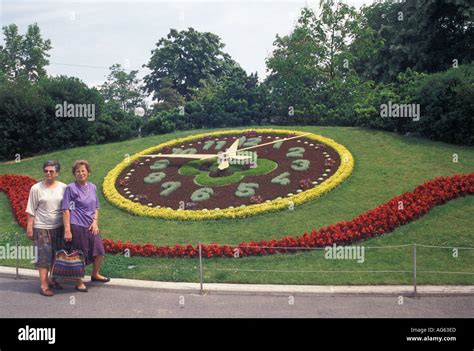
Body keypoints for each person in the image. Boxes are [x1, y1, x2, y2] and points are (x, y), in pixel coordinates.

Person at [62, 160, 109, 293]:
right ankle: (78, 281)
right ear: (74, 174)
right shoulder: (70, 188)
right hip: (77, 225)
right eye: (78, 171)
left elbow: (96, 207)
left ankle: (95, 274)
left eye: (83, 171)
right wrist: (67, 230)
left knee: (99, 251)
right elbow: (66, 209)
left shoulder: (93, 187)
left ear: (88, 172)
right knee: (79, 255)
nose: (81, 173)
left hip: (91, 226)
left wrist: (95, 222)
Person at [26, 160, 67, 297]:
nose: (48, 173)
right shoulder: (36, 188)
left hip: (58, 226)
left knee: (56, 255)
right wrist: (29, 228)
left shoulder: (64, 187)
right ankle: (44, 285)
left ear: (57, 173)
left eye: (51, 171)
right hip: (41, 227)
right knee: (43, 257)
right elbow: (31, 209)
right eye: (46, 171)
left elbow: (67, 208)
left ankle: (52, 279)